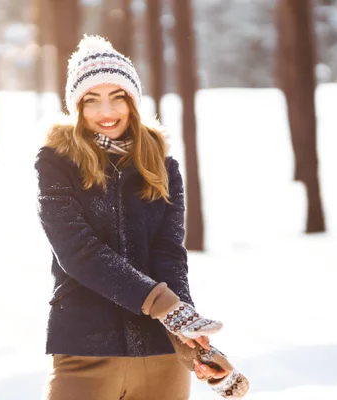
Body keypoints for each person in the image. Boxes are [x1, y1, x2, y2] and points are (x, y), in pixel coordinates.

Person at [35, 35, 229, 400]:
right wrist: (164, 305)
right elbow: (77, 250)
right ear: (76, 106)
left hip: (161, 355)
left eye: (117, 97)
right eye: (91, 100)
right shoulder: (57, 162)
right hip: (85, 348)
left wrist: (187, 334)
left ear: (133, 101)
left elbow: (169, 256)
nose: (105, 112)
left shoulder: (163, 167)